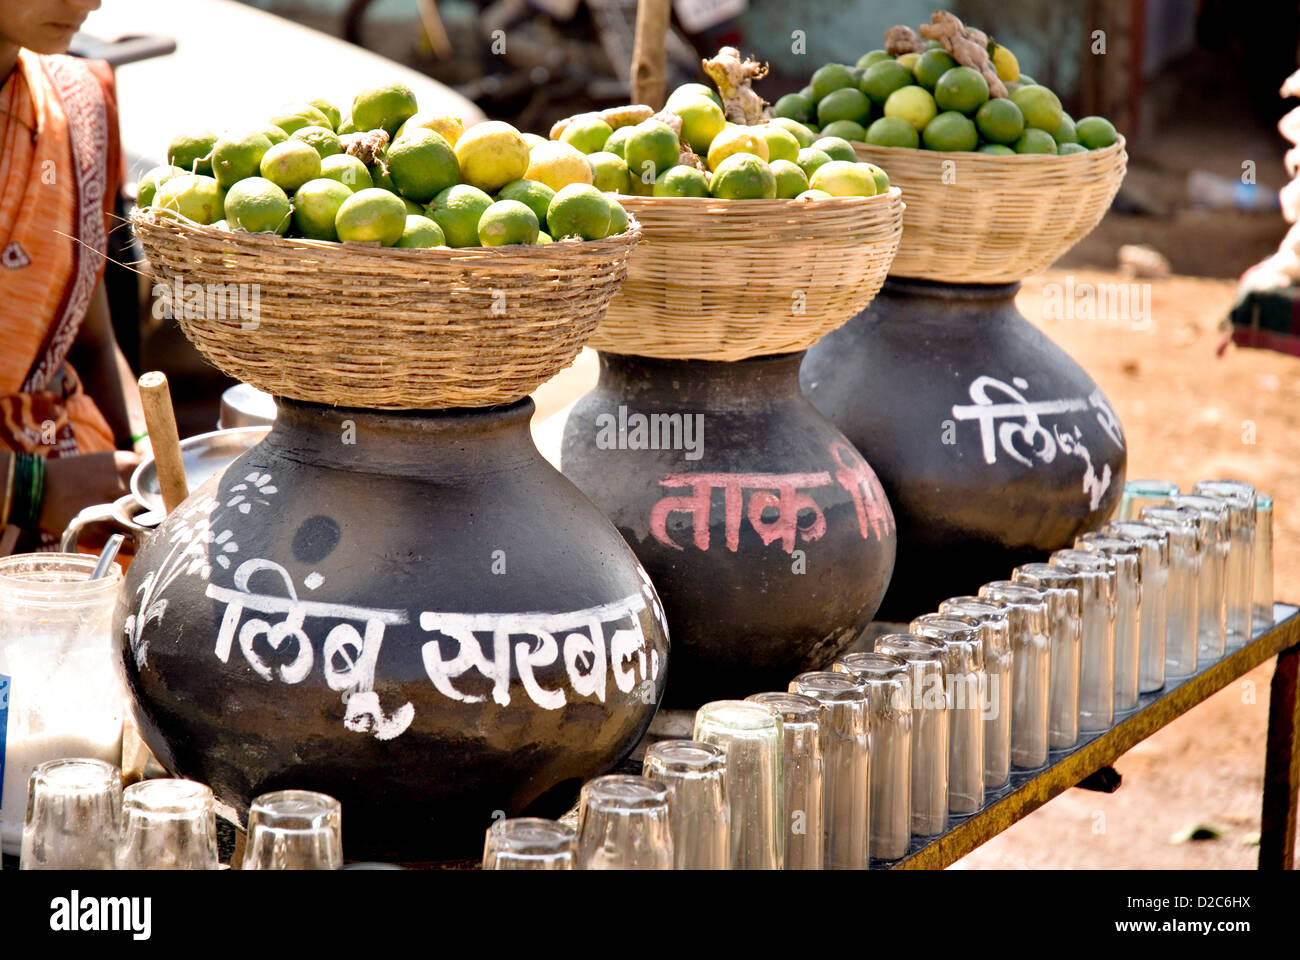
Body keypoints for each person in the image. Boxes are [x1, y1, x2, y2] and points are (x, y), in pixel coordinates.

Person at [0, 0, 144, 552]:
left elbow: (88, 339)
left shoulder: (76, 105)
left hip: (71, 529)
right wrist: (27, 490)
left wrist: (150, 460)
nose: (89, 2)